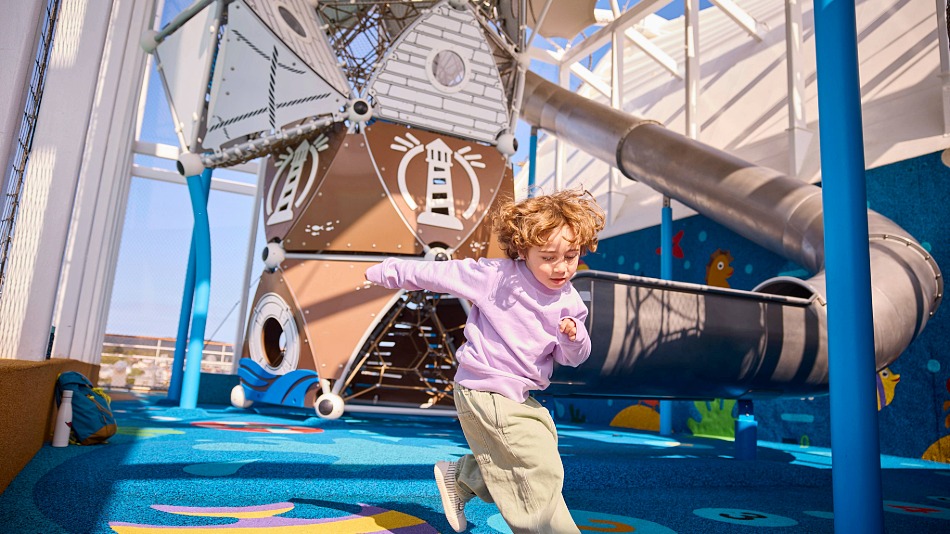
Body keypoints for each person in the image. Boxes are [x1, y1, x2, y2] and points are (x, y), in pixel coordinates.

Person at [364, 189, 605, 533]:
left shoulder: (569, 301)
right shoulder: (497, 276)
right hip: (484, 387)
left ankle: (462, 478)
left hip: (521, 396)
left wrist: (574, 337)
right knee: (539, 466)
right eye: (549, 256)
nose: (561, 267)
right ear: (523, 250)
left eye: (571, 256)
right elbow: (438, 275)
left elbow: (573, 357)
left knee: (539, 444)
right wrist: (387, 271)